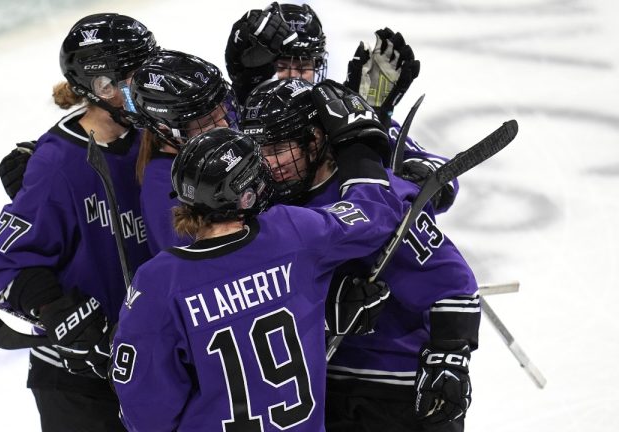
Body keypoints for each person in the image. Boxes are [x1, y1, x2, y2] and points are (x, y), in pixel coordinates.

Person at [110, 79, 408, 430]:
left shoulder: (159, 282)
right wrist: (359, 145)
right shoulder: (291, 232)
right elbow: (374, 216)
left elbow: (147, 412)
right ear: (250, 191)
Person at [241, 77, 480, 431]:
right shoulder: (265, 202)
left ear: (316, 140)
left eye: (278, 148)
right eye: (260, 149)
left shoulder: (382, 197)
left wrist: (449, 356)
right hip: (316, 387)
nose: (268, 162)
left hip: (393, 388)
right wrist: (323, 306)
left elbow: (452, 281)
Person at [0, 13, 156, 432]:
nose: (150, 83)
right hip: (76, 377)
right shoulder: (58, 161)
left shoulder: (155, 134)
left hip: (151, 360)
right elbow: (9, 266)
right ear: (102, 86)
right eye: (137, 74)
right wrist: (56, 309)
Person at [224, 2, 457, 212]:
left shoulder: (341, 115)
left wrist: (376, 124)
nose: (292, 76)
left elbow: (442, 170)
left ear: (318, 66)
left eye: (304, 66)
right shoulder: (238, 118)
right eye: (282, 66)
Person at [129, 49, 241, 254]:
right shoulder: (161, 185)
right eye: (208, 122)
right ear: (165, 127)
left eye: (223, 113)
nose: (224, 125)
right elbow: (194, 260)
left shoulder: (208, 148)